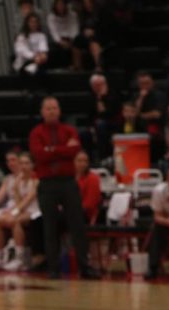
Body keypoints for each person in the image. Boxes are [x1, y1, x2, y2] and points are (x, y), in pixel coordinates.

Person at [29, 96, 97, 279]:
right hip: (47, 184)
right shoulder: (36, 132)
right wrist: (61, 150)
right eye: (48, 108)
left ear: (59, 110)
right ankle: (53, 268)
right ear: (42, 112)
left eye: (54, 108)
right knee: (49, 226)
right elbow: (39, 155)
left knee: (78, 225)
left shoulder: (69, 130)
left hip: (68, 181)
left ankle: (85, 266)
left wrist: (51, 150)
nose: (51, 111)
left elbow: (74, 150)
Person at [0, 152, 40, 271]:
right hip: (22, 209)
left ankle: (19, 259)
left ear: (32, 165)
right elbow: (19, 201)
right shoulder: (18, 180)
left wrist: (14, 213)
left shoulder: (36, 180)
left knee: (15, 221)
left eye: (26, 163)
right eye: (21, 163)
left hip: (35, 210)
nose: (24, 166)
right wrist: (15, 188)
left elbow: (28, 201)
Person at [81, 72, 121, 162]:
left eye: (100, 85)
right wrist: (91, 128)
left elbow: (108, 113)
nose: (98, 87)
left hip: (114, 124)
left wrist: (101, 99)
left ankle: (102, 157)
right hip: (97, 126)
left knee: (101, 125)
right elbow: (89, 116)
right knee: (84, 134)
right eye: (95, 85)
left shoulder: (113, 95)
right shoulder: (90, 97)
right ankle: (89, 160)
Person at [13, 13, 49, 90]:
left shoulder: (41, 36)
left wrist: (42, 56)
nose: (34, 24)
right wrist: (34, 57)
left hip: (39, 61)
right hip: (24, 63)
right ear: (27, 23)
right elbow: (22, 51)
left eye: (35, 22)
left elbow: (43, 49)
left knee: (41, 72)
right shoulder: (21, 36)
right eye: (31, 22)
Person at [72, 0, 103, 71]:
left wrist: (94, 31)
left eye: (88, 3)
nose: (87, 5)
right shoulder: (83, 14)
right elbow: (82, 27)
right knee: (77, 40)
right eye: (85, 3)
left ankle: (99, 65)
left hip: (99, 35)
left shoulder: (101, 12)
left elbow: (106, 27)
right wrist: (85, 32)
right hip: (86, 35)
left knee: (93, 40)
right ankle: (77, 65)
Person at [46, 0, 78, 68]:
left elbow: (74, 28)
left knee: (76, 45)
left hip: (70, 38)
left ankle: (75, 66)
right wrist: (60, 42)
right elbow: (53, 31)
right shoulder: (51, 17)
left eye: (62, 4)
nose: (60, 7)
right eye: (58, 5)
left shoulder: (72, 15)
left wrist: (72, 40)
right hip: (58, 39)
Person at [75, 150, 102, 223]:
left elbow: (90, 204)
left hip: (85, 214)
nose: (83, 164)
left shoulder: (93, 178)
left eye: (85, 161)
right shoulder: (69, 178)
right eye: (79, 161)